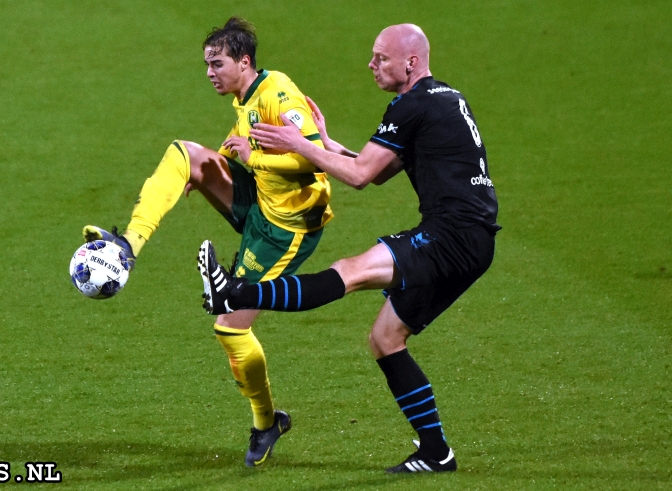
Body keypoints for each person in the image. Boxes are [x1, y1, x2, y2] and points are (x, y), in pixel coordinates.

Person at [197, 23, 499, 474]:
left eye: (381, 58)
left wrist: (301, 145)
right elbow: (375, 169)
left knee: (350, 271)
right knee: (385, 339)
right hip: (473, 239)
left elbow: (358, 177)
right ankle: (437, 454)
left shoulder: (411, 104)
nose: (371, 65)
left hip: (451, 235)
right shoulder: (444, 99)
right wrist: (323, 141)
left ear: (410, 63)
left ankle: (235, 294)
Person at [83, 17, 333, 467]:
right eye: (206, 64)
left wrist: (250, 155)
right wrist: (208, 173)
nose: (209, 72)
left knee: (229, 326)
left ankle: (266, 422)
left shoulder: (279, 94)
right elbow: (240, 155)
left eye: (217, 63)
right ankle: (128, 246)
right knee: (187, 156)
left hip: (287, 229)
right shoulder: (246, 95)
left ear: (244, 61)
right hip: (260, 200)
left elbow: (316, 160)